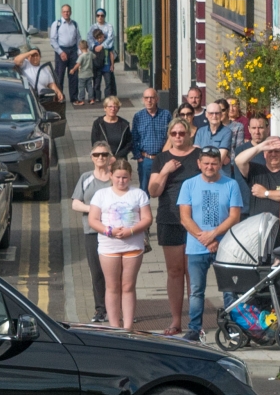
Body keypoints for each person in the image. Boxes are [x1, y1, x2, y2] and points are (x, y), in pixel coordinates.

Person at [179, 147, 245, 342]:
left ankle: (231, 328)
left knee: (229, 289)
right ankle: (194, 329)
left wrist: (214, 235)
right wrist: (204, 238)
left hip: (225, 246)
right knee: (196, 290)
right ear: (199, 164)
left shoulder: (231, 184)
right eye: (206, 163)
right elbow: (185, 217)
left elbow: (235, 216)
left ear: (220, 164)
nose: (210, 167)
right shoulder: (188, 185)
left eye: (214, 163)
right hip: (196, 247)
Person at [148, 117, 201, 336]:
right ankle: (176, 321)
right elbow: (153, 191)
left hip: (195, 219)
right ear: (169, 135)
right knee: (175, 271)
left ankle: (195, 322)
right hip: (169, 218)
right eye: (174, 134)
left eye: (182, 133)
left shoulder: (199, 155)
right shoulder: (162, 159)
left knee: (192, 272)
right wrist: (165, 171)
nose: (178, 137)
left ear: (189, 134)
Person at [90, 160, 153, 331]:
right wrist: (108, 231)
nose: (121, 181)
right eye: (118, 177)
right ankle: (113, 326)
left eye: (125, 177)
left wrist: (131, 231)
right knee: (112, 286)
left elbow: (147, 218)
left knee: (128, 286)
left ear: (130, 177)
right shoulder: (101, 194)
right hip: (108, 246)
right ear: (111, 176)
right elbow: (93, 219)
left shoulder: (139, 194)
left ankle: (127, 327)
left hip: (133, 245)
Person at [71, 142, 119, 323]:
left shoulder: (115, 177)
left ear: (110, 157)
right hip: (92, 232)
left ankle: (119, 309)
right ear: (91, 157)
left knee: (117, 274)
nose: (101, 158)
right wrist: (94, 209)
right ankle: (101, 310)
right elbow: (75, 203)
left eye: (104, 155)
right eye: (97, 154)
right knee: (97, 272)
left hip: (114, 233)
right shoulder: (86, 178)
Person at [241, 136, 280, 221]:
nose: (273, 154)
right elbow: (239, 161)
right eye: (270, 151)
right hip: (257, 228)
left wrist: (265, 193)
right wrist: (260, 147)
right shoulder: (255, 171)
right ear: (264, 154)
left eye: (277, 151)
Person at [132, 88, 170, 194]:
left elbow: (170, 136)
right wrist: (138, 157)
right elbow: (134, 137)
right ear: (143, 99)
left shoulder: (166, 115)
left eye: (152, 98)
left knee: (165, 189)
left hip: (162, 159)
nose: (149, 100)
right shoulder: (138, 116)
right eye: (146, 98)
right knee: (144, 191)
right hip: (146, 160)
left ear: (157, 99)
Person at [49, 5, 82, 103]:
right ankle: (59, 97)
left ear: (70, 12)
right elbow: (53, 40)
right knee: (59, 75)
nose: (66, 13)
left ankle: (74, 98)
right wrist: (60, 52)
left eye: (68, 11)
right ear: (61, 12)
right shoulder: (57, 24)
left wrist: (79, 52)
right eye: (64, 11)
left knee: (74, 75)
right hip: (61, 50)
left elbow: (78, 39)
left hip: (73, 51)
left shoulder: (74, 24)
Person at [193, 102, 235, 176]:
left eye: (217, 113)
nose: (214, 116)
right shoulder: (200, 131)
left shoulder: (227, 132)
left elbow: (220, 159)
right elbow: (196, 155)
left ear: (221, 114)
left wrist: (204, 156)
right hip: (203, 176)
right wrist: (217, 154)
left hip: (221, 176)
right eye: (211, 113)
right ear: (206, 114)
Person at [231, 114, 273, 179]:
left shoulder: (275, 149)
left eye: (260, 128)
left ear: (267, 129)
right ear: (249, 129)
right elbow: (240, 180)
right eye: (253, 128)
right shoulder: (240, 150)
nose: (257, 132)